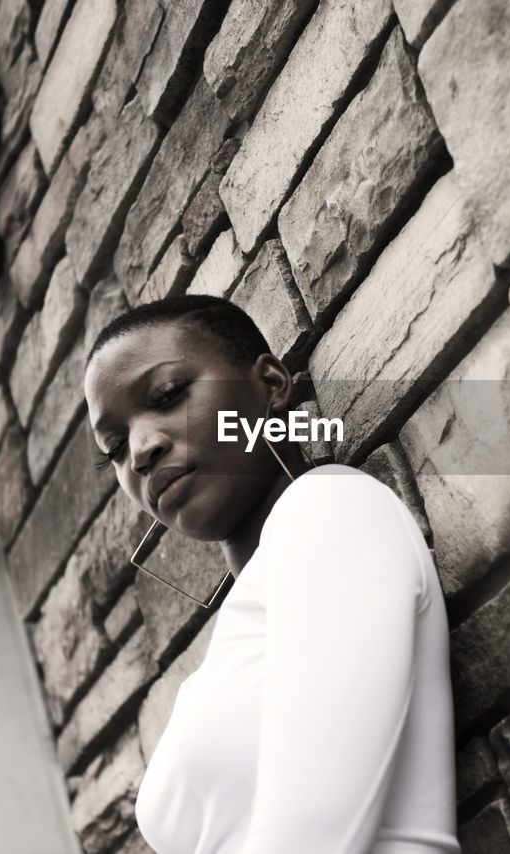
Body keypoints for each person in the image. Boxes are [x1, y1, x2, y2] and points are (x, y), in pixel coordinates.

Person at [82, 294, 461, 854]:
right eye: (113, 446)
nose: (139, 450)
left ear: (271, 385)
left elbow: (311, 835)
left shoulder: (330, 509)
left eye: (167, 396)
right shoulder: (232, 645)